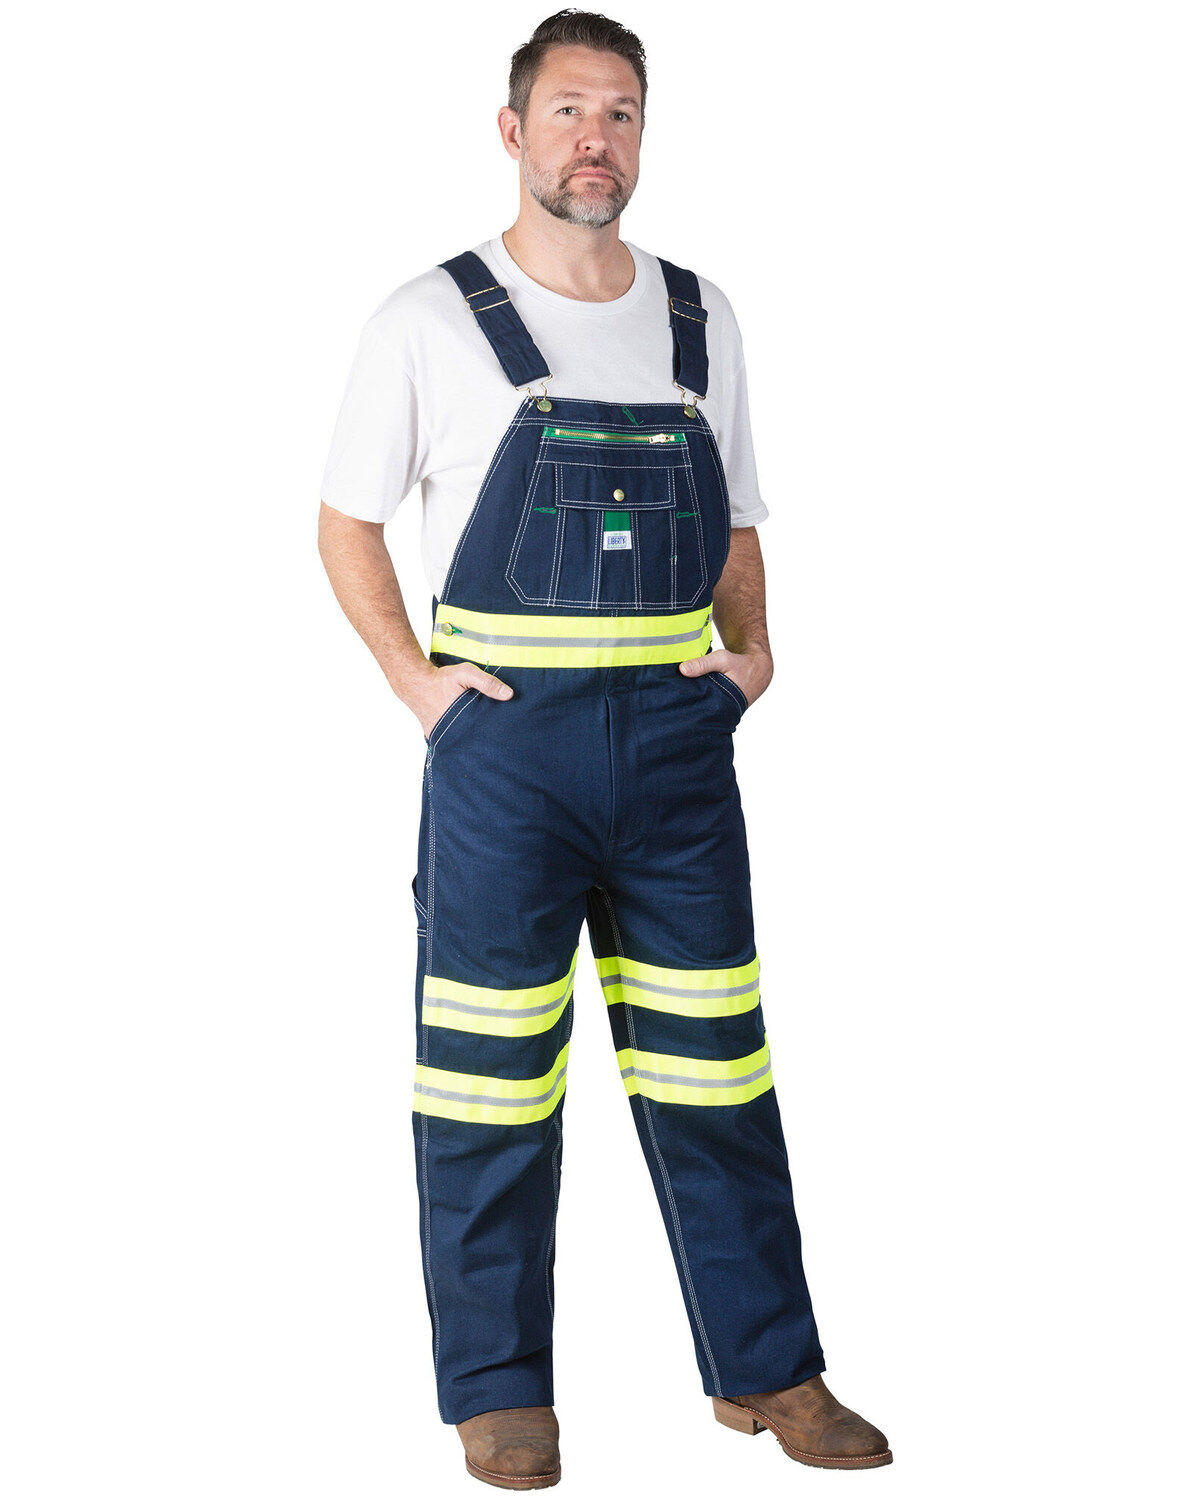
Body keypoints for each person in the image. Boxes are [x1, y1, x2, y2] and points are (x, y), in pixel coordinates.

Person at [318, 10, 890, 1488]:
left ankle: (769, 1368)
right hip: (508, 760)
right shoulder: (429, 318)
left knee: (720, 1071)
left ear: (643, 137)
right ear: (513, 131)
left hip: (682, 762)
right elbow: (345, 521)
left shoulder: (702, 316)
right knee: (490, 1084)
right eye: (569, 109)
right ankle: (500, 1392)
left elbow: (739, 516)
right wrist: (419, 686)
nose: (596, 138)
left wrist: (754, 655)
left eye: (621, 113)